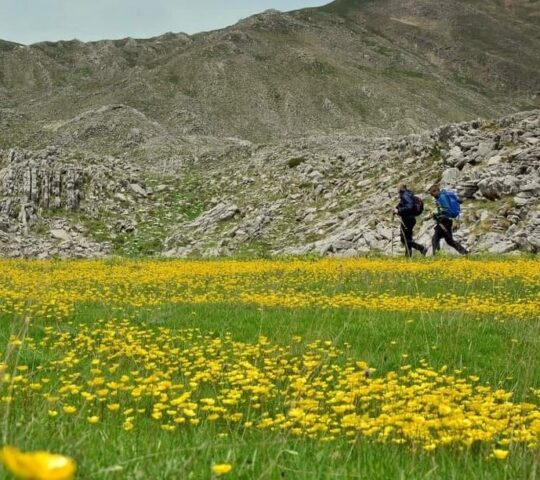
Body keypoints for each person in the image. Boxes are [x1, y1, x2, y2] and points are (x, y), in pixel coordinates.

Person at [428, 184, 468, 255]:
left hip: (444, 221)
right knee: (449, 241)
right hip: (445, 221)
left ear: (435, 191)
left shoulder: (442, 197)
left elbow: (446, 209)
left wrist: (436, 213)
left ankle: (436, 256)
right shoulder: (441, 196)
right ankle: (465, 252)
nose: (432, 196)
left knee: (435, 239)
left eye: (432, 194)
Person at [394, 184, 427, 257]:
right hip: (410, 219)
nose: (396, 189)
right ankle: (408, 256)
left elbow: (410, 206)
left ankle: (421, 248)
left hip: (407, 220)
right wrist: (397, 208)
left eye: (397, 187)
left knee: (404, 239)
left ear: (400, 188)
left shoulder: (404, 195)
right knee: (407, 238)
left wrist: (399, 211)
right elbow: (403, 204)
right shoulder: (408, 194)